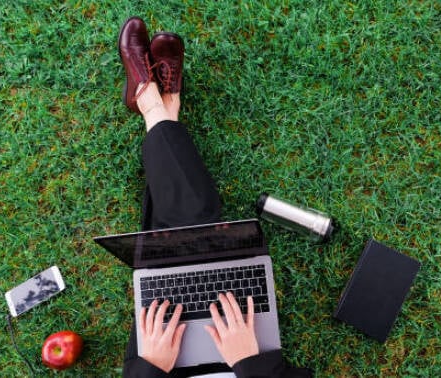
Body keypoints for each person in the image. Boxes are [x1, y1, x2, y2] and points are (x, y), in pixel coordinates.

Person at [117, 17, 312, 378]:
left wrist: (151, 370)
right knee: (189, 235)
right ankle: (159, 108)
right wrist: (250, 364)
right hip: (244, 362)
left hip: (164, 367)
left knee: (179, 241)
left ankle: (152, 104)